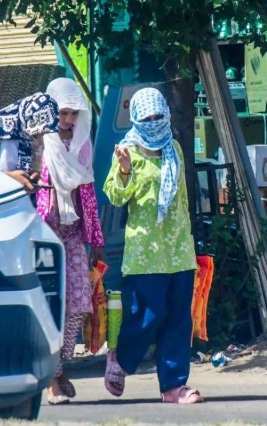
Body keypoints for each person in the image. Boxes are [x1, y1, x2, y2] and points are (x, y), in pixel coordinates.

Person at [102, 88, 203, 404]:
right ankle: (121, 360)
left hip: (178, 250)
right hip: (145, 252)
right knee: (148, 315)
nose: (154, 122)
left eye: (159, 115)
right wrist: (125, 170)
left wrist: (188, 240)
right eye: (147, 118)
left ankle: (174, 386)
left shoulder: (174, 148)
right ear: (136, 119)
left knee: (178, 320)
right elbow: (115, 197)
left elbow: (182, 198)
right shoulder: (127, 151)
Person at [34, 78, 105, 404]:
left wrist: (96, 240)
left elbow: (87, 193)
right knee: (49, 305)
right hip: (44, 234)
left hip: (73, 233)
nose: (68, 120)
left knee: (77, 304)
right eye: (62, 113)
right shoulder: (38, 142)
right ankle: (52, 381)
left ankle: (59, 367)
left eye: (73, 113)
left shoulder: (82, 144)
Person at [0, 92, 59, 191]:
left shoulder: (31, 137)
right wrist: (9, 179)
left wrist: (33, 178)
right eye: (38, 132)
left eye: (45, 132)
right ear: (28, 119)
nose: (40, 137)